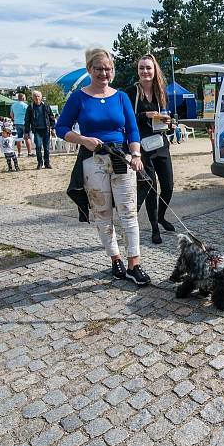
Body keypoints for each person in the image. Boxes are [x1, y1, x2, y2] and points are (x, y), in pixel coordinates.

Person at [57, 48, 151, 286]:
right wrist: (82, 140)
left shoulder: (121, 96)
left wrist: (136, 153)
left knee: (129, 212)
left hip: (121, 158)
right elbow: (61, 128)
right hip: (93, 160)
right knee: (103, 214)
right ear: (89, 69)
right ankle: (115, 258)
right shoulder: (79, 97)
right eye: (98, 68)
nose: (104, 73)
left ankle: (134, 263)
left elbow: (132, 129)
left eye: (108, 68)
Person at [126, 54, 176, 244]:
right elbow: (127, 120)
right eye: (141, 68)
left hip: (161, 144)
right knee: (150, 188)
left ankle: (162, 216)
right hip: (142, 146)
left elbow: (165, 116)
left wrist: (169, 122)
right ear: (138, 71)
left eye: (148, 68)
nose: (145, 71)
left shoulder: (161, 90)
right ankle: (155, 227)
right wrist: (145, 114)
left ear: (155, 70)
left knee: (169, 187)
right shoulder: (132, 92)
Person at [24, 90, 56, 169]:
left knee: (47, 147)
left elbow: (51, 117)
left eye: (38, 96)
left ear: (41, 97)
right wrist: (26, 132)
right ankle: (40, 163)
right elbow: (27, 120)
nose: (37, 98)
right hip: (37, 130)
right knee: (38, 146)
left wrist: (53, 128)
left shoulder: (46, 106)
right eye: (35, 96)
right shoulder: (30, 107)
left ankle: (47, 163)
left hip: (46, 129)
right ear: (33, 98)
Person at [10, 93, 32, 157]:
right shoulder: (25, 105)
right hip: (24, 123)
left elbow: (11, 114)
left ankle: (19, 153)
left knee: (19, 138)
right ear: (23, 98)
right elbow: (29, 115)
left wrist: (15, 119)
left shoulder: (13, 105)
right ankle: (29, 152)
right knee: (27, 137)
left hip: (17, 123)